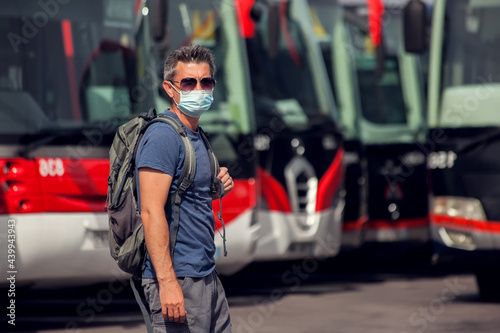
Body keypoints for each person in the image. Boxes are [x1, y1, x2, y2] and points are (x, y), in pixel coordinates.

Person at [136, 44, 233, 332]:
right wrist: (167, 284)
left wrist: (214, 187)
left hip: (206, 276)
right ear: (169, 88)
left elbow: (183, 193)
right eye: (189, 82)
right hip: (178, 279)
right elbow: (151, 211)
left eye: (206, 82)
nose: (199, 89)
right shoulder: (163, 136)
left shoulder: (195, 135)